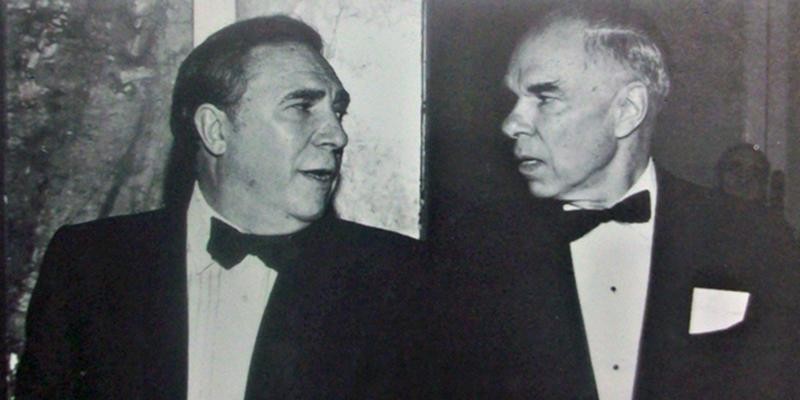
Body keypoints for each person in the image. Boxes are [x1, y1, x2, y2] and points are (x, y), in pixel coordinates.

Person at [16, 15, 420, 399]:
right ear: (215, 130)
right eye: (301, 107)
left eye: (337, 111)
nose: (337, 135)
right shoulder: (89, 264)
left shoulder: (398, 278)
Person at [431, 2, 800, 399]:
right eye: (515, 98)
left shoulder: (753, 240)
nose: (511, 123)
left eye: (544, 97)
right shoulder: (476, 249)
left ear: (627, 110)